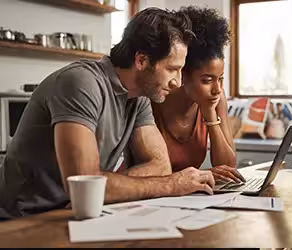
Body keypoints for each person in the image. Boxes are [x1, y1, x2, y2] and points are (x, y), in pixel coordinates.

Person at [0, 7, 215, 220]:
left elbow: (160, 166)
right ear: (141, 61)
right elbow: (85, 184)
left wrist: (105, 186)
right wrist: (171, 185)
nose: (177, 82)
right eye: (171, 69)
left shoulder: (139, 98)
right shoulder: (81, 83)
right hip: (24, 220)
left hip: (79, 213)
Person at [151, 6, 245, 184]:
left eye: (221, 79)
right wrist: (201, 175)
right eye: (207, 80)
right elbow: (145, 171)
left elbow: (228, 168)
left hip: (187, 200)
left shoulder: (215, 100)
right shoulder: (154, 99)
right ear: (182, 73)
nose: (217, 89)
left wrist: (210, 115)